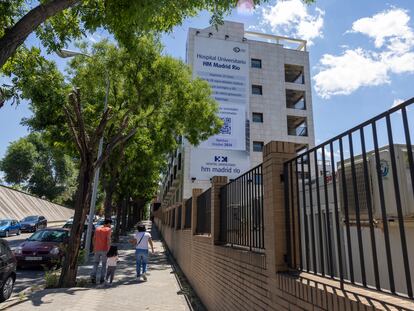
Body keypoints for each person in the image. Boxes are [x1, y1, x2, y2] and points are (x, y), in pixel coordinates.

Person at [91, 218, 112, 284]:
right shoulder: (108, 230)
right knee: (104, 264)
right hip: (105, 249)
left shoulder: (97, 229)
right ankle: (102, 279)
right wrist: (109, 249)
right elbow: (108, 240)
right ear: (108, 223)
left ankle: (93, 276)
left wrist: (94, 247)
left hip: (97, 249)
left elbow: (93, 239)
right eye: (110, 224)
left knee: (95, 263)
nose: (110, 225)